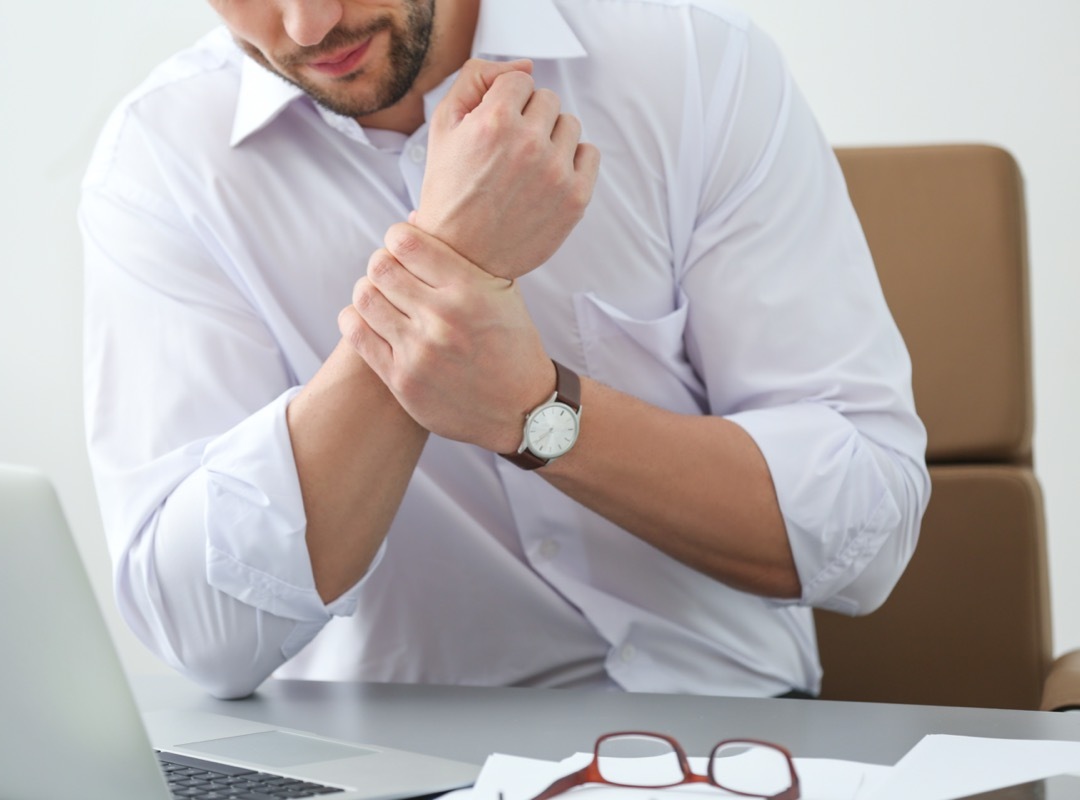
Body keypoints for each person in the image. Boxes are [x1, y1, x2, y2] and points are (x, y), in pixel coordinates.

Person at [80, 0, 929, 701]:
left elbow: (867, 522)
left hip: (725, 748)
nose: (307, 25)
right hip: (388, 761)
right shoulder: (162, 162)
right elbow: (201, 631)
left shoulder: (700, 66)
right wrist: (448, 253)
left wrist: (536, 411)